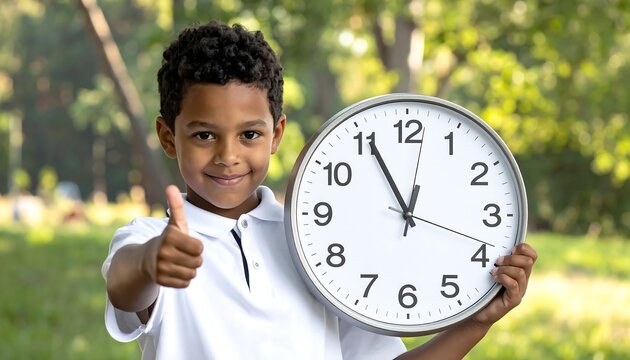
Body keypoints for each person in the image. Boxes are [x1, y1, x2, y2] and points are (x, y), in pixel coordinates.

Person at [102, 20, 538, 359]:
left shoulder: (320, 243)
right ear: (167, 136)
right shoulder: (153, 242)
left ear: (276, 134)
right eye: (204, 136)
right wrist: (149, 262)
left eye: (249, 135)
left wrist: (477, 322)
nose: (228, 155)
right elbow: (125, 285)